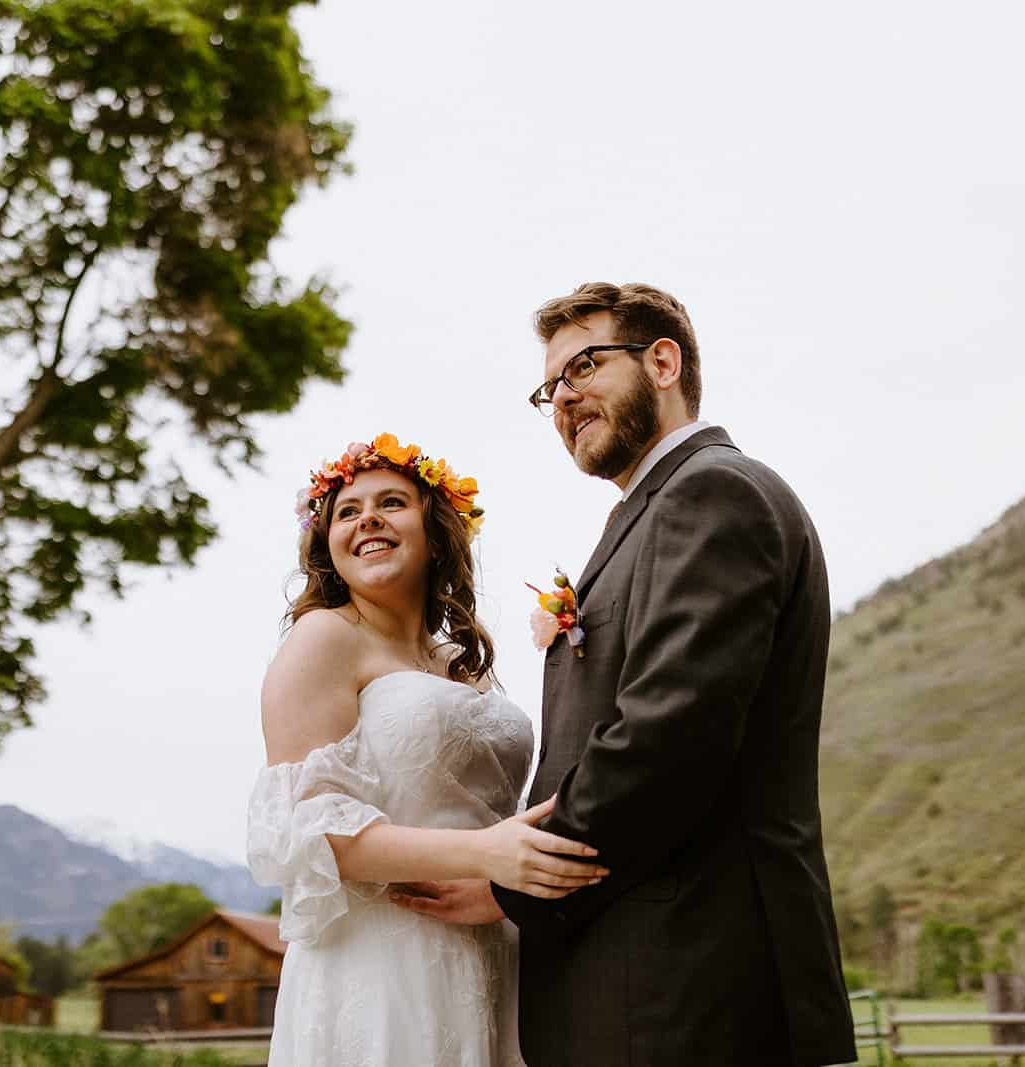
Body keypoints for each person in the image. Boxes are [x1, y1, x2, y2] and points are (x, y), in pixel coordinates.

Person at [395, 283, 857, 1066]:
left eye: (583, 367)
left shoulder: (713, 492)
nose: (564, 399)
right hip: (649, 975)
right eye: (550, 389)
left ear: (664, 361)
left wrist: (514, 883)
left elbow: (669, 735)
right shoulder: (660, 508)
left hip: (690, 981)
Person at [246, 433, 607, 1067]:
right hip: (384, 962)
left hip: (496, 948)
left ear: (435, 532)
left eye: (392, 502)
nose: (368, 521)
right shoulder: (323, 640)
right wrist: (486, 854)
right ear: (327, 543)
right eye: (347, 511)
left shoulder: (461, 664)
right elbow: (308, 833)